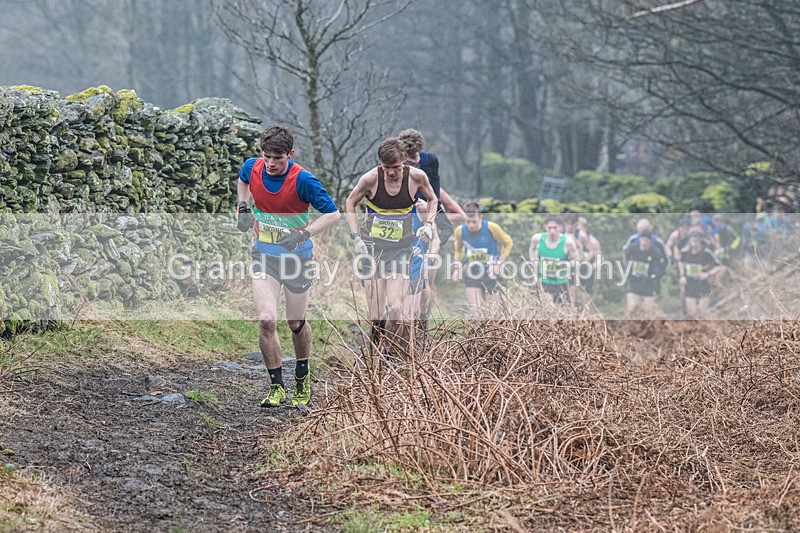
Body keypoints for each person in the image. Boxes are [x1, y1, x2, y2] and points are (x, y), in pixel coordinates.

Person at [236, 125, 340, 408]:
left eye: (278, 158)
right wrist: (242, 206)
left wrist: (302, 234)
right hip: (264, 257)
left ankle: (302, 376)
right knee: (267, 319)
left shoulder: (304, 180)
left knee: (295, 323)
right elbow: (243, 180)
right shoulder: (253, 167)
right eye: (267, 156)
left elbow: (332, 215)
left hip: (297, 259)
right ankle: (276, 387)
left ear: (290, 155)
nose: (270, 163)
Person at [345, 137, 438, 357]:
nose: (391, 173)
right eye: (387, 168)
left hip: (400, 249)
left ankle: (389, 352)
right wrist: (356, 237)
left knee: (396, 308)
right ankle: (375, 355)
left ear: (404, 162)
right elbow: (350, 203)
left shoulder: (416, 177)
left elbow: (433, 200)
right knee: (376, 313)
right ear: (381, 164)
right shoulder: (370, 179)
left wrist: (429, 223)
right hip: (373, 249)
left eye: (396, 168)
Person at [451, 202, 513, 313]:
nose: (471, 225)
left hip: (491, 273)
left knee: (491, 312)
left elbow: (508, 243)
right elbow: (458, 250)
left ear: (480, 218)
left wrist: (498, 264)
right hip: (472, 272)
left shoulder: (492, 228)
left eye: (474, 222)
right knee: (475, 311)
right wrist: (457, 268)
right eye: (468, 222)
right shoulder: (460, 231)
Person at [529, 216, 580, 304]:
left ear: (561, 227)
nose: (552, 231)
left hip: (561, 282)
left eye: (555, 228)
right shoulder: (537, 238)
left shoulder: (568, 242)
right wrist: (534, 261)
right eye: (549, 228)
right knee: (547, 305)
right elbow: (532, 249)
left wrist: (568, 264)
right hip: (544, 281)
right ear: (545, 227)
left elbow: (577, 259)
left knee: (561, 308)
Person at [677, 233, 724, 319]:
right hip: (690, 285)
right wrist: (682, 275)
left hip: (703, 285)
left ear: (700, 242)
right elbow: (680, 263)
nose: (694, 244)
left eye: (696, 242)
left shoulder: (707, 253)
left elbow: (719, 266)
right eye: (692, 242)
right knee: (692, 313)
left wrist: (708, 274)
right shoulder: (685, 253)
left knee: (702, 313)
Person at [623, 230, 667, 317]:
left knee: (647, 311)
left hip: (648, 284)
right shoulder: (632, 248)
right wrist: (628, 272)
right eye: (642, 240)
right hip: (634, 282)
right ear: (639, 239)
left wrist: (654, 277)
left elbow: (662, 267)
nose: (644, 243)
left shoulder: (655, 252)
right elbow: (625, 259)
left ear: (650, 241)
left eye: (646, 240)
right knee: (632, 308)